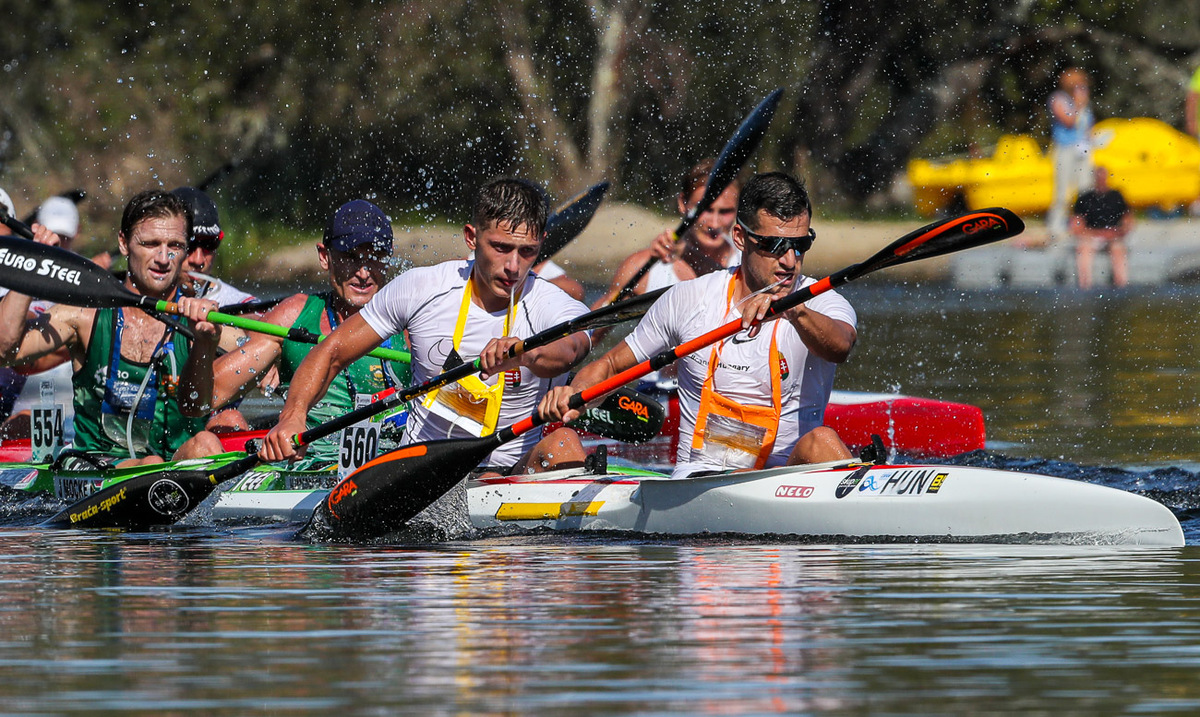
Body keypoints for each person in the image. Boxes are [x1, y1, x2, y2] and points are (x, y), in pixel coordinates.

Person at [260, 177, 592, 475]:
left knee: (564, 442)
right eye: (501, 248)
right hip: (421, 471)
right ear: (471, 237)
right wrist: (293, 416)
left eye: (528, 252)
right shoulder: (422, 288)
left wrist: (526, 354)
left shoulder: (552, 303)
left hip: (510, 470)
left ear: (542, 243)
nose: (513, 267)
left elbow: (572, 348)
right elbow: (331, 352)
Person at [539, 172, 857, 478]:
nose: (789, 260)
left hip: (789, 476)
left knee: (822, 441)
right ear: (740, 237)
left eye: (800, 244)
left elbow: (840, 346)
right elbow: (610, 366)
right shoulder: (689, 299)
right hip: (702, 476)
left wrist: (796, 311)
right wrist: (576, 394)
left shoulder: (820, 301)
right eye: (773, 245)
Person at [0, 189, 237, 467]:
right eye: (150, 244)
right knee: (151, 463)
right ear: (124, 244)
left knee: (206, 443)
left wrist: (205, 344)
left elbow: (196, 407)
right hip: (92, 466)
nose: (163, 258)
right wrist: (33, 264)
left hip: (171, 469)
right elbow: (5, 351)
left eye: (174, 246)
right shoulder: (84, 315)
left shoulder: (205, 321)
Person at [212, 199, 412, 468]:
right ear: (324, 257)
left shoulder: (409, 324)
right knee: (221, 423)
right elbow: (209, 397)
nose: (364, 273)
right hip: (306, 466)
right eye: (351, 257)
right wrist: (204, 340)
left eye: (374, 257)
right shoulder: (294, 316)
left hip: (387, 467)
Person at [597, 158, 740, 303]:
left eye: (725, 211)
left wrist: (688, 253)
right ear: (682, 203)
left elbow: (729, 286)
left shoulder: (747, 260)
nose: (714, 224)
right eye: (705, 209)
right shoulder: (639, 267)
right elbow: (597, 316)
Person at [171, 186, 256, 306]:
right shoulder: (143, 294)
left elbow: (257, 315)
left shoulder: (235, 301)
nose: (198, 260)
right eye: (189, 245)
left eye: (209, 244)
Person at [1047, 68, 1095, 242]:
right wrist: (1078, 104)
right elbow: (1068, 121)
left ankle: (1084, 223)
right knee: (1062, 190)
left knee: (1085, 188)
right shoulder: (1058, 99)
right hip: (1065, 148)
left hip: (1083, 149)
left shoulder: (1084, 102)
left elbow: (1087, 125)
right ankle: (1056, 226)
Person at [1071, 166, 1133, 289]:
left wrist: (1118, 232)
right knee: (1084, 249)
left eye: (1103, 177)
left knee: (1118, 250)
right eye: (1098, 177)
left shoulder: (1116, 197)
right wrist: (1097, 233)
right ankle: (1085, 285)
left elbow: (1128, 221)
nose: (1101, 180)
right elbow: (1076, 226)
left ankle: (1121, 284)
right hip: (1091, 236)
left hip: (1113, 236)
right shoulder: (1085, 198)